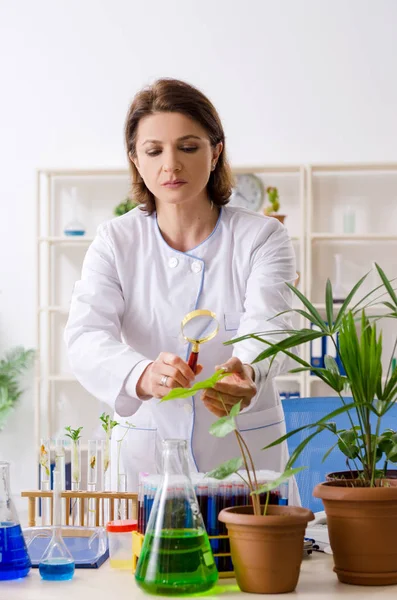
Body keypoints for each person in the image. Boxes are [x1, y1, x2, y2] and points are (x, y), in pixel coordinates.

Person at [65, 78, 299, 502]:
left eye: (188, 147)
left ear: (216, 151)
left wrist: (244, 371)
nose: (170, 165)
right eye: (154, 151)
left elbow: (272, 324)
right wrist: (141, 374)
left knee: (250, 564)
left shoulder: (262, 237)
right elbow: (85, 337)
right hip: (149, 451)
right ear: (135, 158)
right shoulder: (115, 241)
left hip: (242, 450)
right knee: (150, 562)